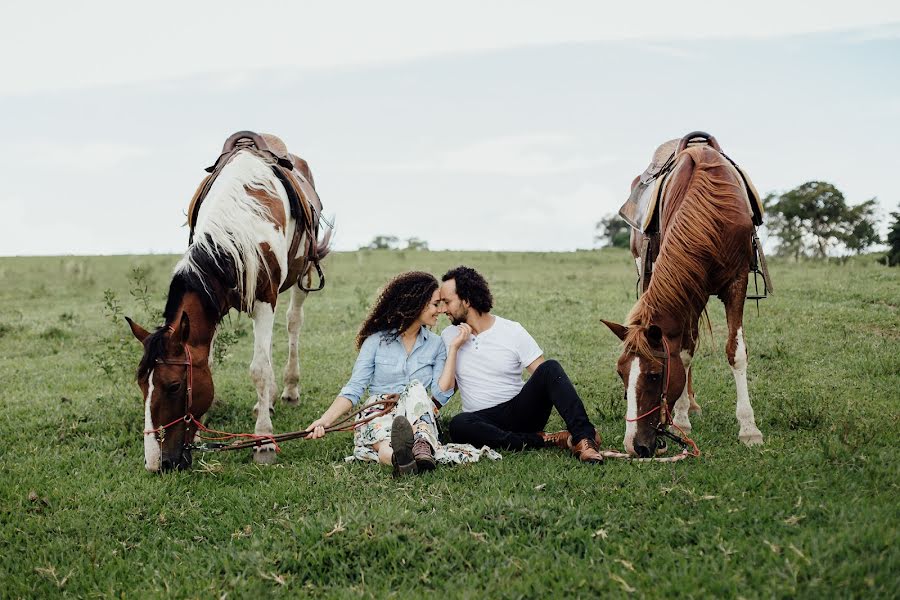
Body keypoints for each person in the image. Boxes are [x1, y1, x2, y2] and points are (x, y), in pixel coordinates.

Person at [305, 271, 498, 476]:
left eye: (442, 303)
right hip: (380, 408)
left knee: (415, 389)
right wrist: (325, 421)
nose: (440, 310)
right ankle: (401, 459)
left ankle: (420, 445)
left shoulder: (436, 345)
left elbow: (441, 395)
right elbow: (354, 389)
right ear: (418, 304)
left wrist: (453, 350)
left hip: (417, 411)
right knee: (384, 441)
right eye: (435, 304)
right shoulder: (375, 342)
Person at [439, 266, 604, 464]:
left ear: (466, 300)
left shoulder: (511, 331)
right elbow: (449, 385)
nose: (443, 310)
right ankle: (544, 440)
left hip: (520, 412)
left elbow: (545, 378)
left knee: (550, 368)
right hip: (481, 419)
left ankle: (584, 438)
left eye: (447, 302)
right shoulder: (449, 336)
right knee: (459, 424)